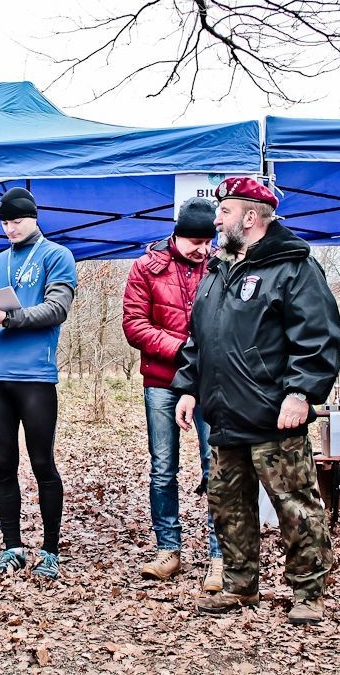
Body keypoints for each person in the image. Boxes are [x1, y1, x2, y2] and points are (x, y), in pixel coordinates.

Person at [172, 177, 340, 625]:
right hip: (224, 412)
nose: (216, 219)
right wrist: (189, 386)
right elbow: (200, 336)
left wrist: (301, 391)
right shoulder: (218, 269)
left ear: (250, 217)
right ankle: (239, 585)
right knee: (227, 503)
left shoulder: (294, 266)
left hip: (274, 414)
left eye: (224, 211)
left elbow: (318, 335)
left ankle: (308, 592)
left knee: (295, 505)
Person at [0, 187, 77, 580]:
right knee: (3, 464)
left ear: (34, 216)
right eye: (5, 222)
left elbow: (56, 308)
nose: (11, 228)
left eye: (17, 220)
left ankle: (50, 549)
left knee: (43, 462)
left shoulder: (56, 255)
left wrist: (6, 319)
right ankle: (12, 545)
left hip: (35, 376)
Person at [121, 198, 223, 589]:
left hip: (211, 382)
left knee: (216, 466)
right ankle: (168, 549)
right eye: (196, 240)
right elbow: (134, 325)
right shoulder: (146, 267)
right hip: (162, 381)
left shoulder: (220, 265)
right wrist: (183, 349)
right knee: (163, 467)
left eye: (208, 240)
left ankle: (219, 554)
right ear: (177, 236)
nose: (203, 248)